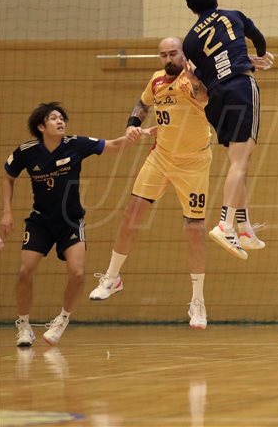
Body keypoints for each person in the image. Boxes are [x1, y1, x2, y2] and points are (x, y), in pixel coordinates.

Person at [87, 37, 213, 330]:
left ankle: (197, 300)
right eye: (163, 54)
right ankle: (112, 277)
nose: (168, 58)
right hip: (161, 157)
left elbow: (204, 98)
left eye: (173, 53)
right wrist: (133, 124)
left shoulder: (193, 77)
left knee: (194, 230)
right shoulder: (156, 80)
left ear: (183, 53)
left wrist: (195, 79)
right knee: (131, 214)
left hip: (193, 163)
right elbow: (142, 104)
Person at [1, 102, 148, 347]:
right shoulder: (26, 151)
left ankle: (62, 320)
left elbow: (112, 145)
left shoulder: (76, 144)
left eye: (62, 118)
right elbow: (8, 177)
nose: (60, 121)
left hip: (71, 221)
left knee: (78, 273)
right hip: (40, 221)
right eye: (53, 118)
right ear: (41, 126)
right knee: (25, 272)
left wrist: (134, 135)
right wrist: (7, 211)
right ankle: (24, 326)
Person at [183, 0, 274, 259]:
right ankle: (225, 224)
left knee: (239, 162)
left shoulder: (189, 41)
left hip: (217, 98)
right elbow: (259, 39)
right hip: (240, 88)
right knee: (240, 162)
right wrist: (259, 58)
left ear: (192, 8)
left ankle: (244, 228)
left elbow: (199, 78)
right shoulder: (233, 16)